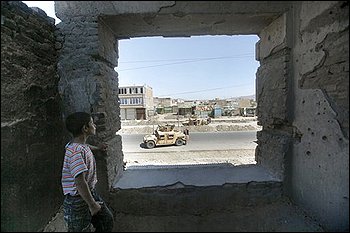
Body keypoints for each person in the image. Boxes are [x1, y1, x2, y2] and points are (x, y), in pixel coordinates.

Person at [61, 112, 114, 232]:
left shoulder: (78, 145)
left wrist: (98, 148)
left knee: (106, 220)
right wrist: (92, 204)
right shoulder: (76, 153)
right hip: (78, 201)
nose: (94, 125)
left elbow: (87, 147)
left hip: (89, 194)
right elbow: (80, 182)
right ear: (85, 128)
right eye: (92, 123)